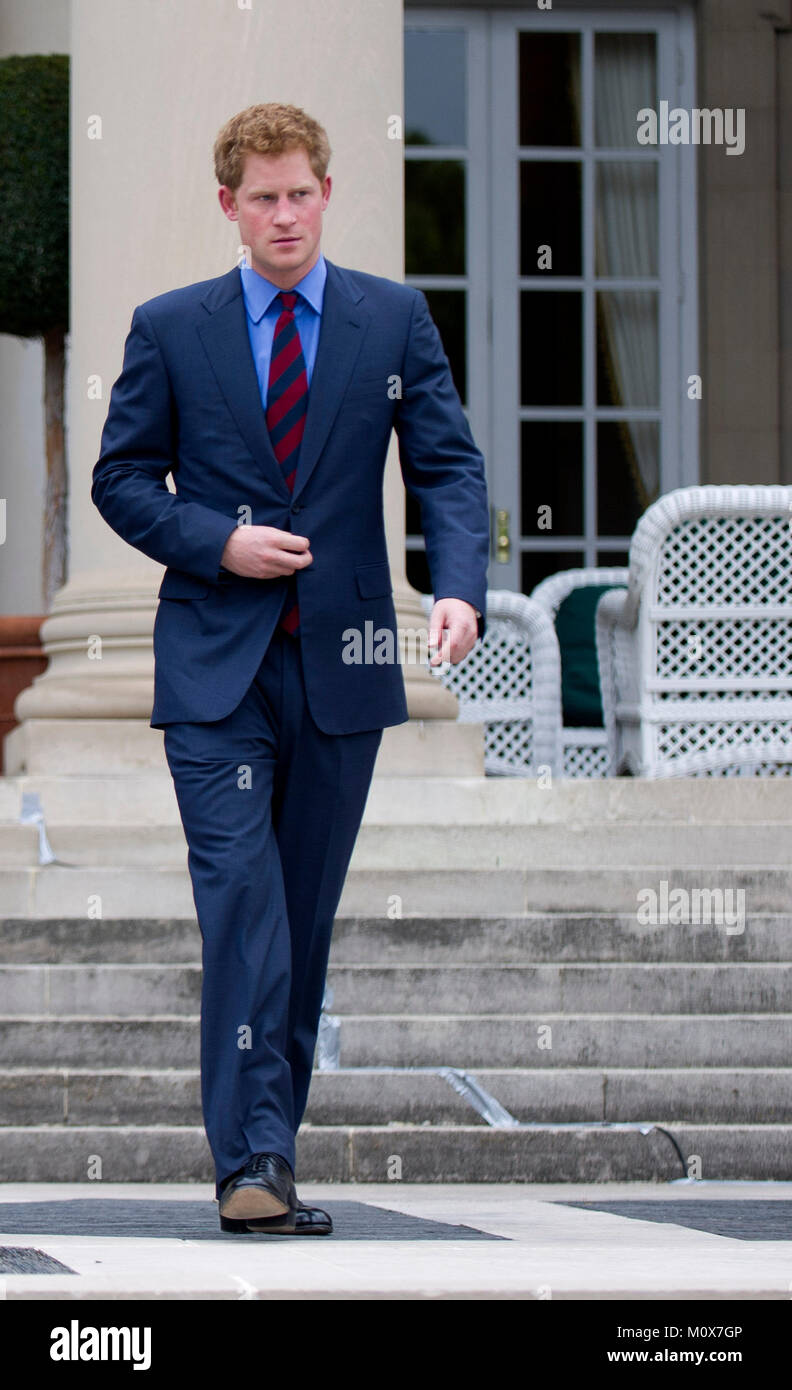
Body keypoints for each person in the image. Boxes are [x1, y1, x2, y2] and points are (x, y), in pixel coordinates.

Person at [91, 102, 489, 1235]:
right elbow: (122, 480)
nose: (283, 215)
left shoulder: (392, 320)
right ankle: (251, 1162)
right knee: (244, 905)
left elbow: (449, 467)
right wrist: (216, 537)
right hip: (218, 670)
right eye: (261, 197)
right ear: (230, 206)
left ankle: (271, 1143)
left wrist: (457, 584)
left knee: (300, 922)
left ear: (326, 191)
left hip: (344, 665)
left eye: (299, 193)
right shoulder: (172, 327)